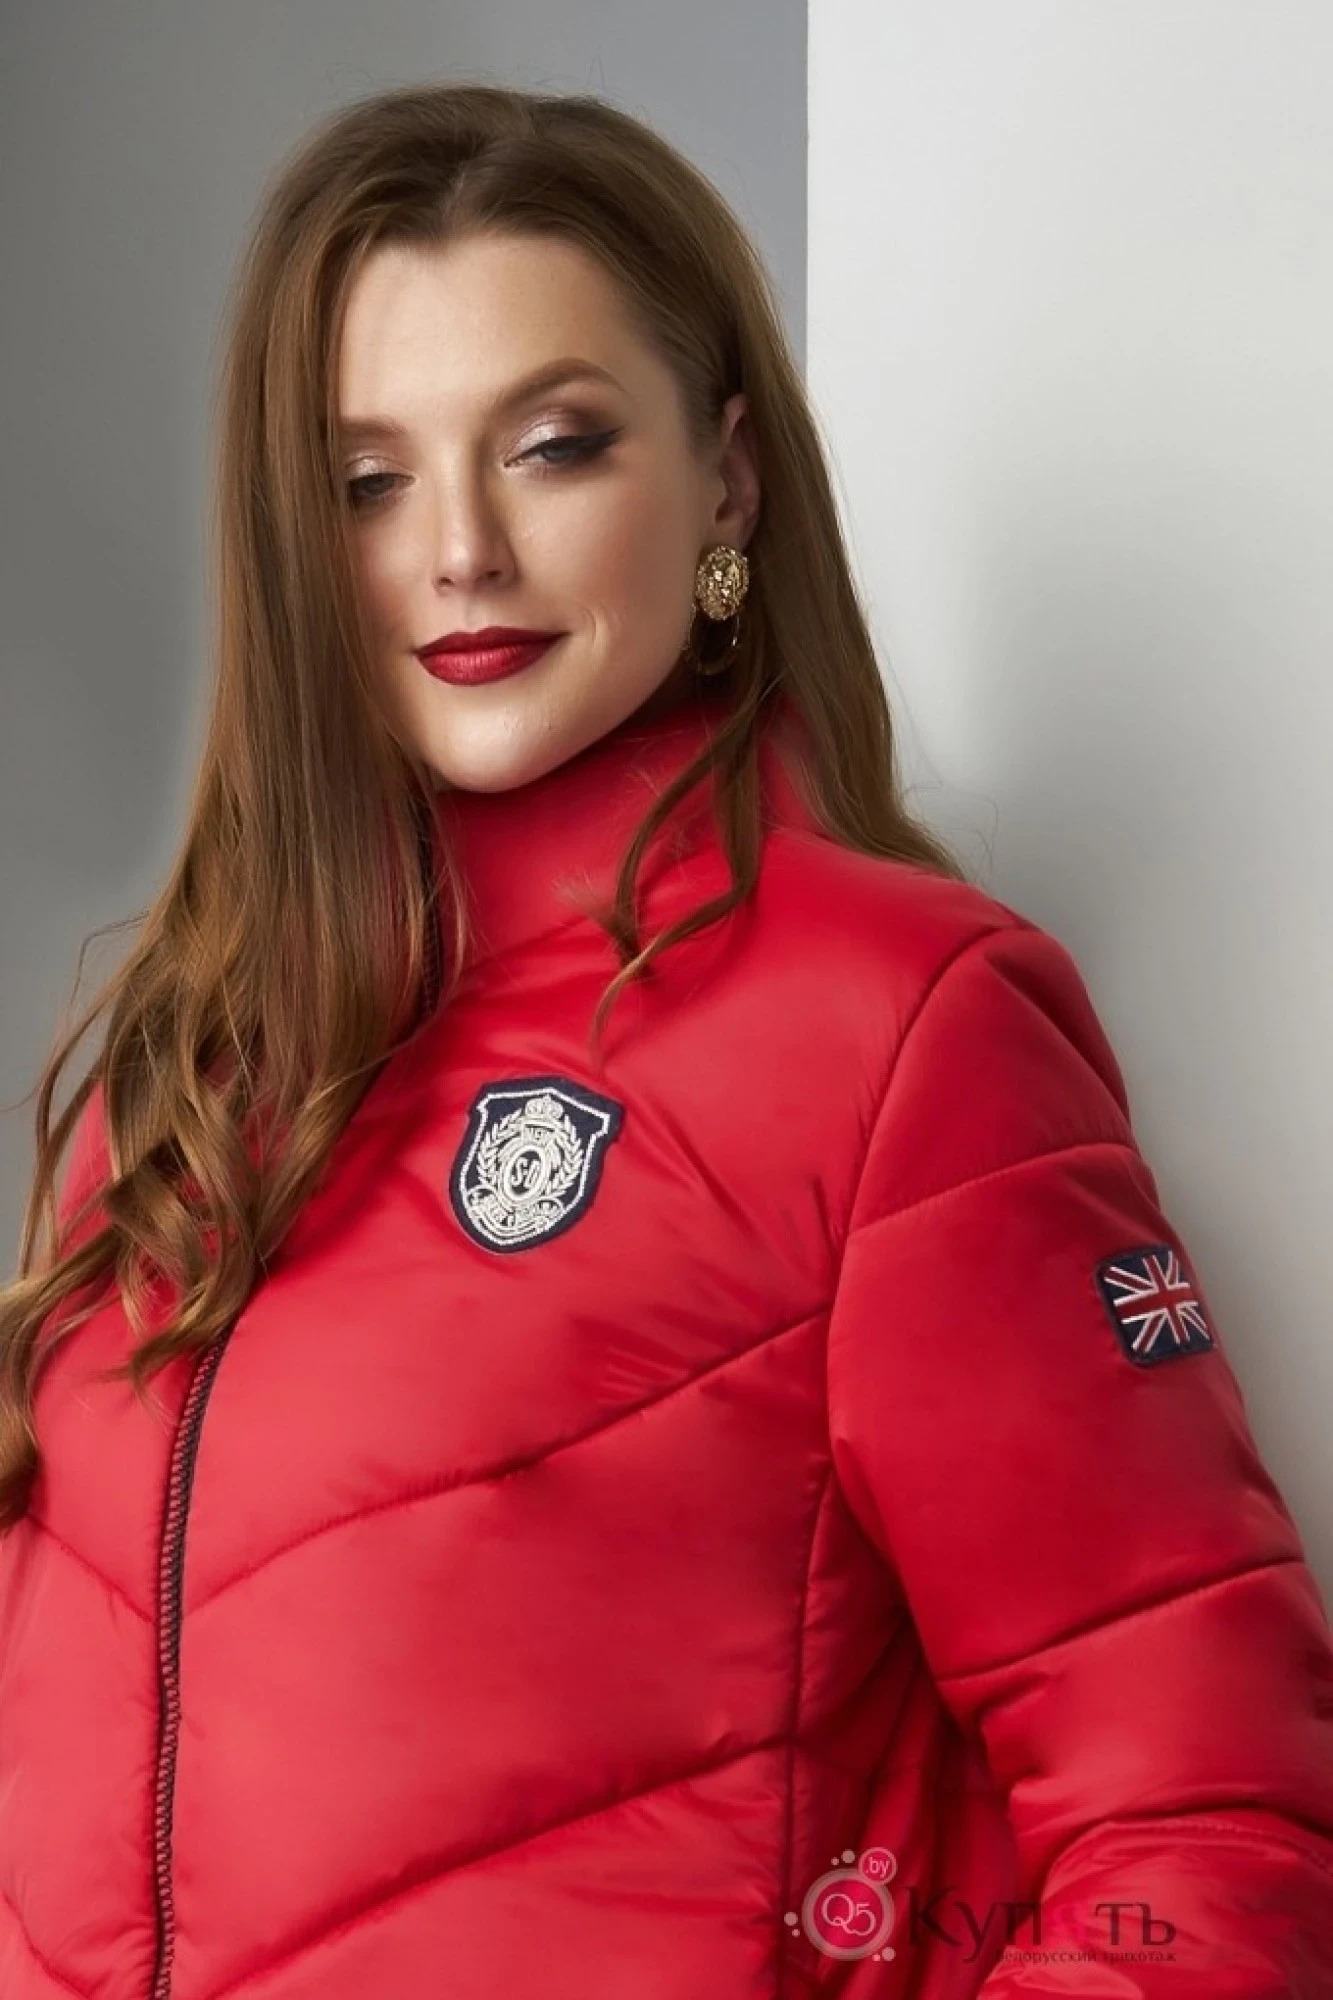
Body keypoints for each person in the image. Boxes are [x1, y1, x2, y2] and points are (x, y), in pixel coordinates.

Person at [1, 81, 1331, 2000]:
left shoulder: (899, 1029)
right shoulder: (194, 1072)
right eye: (367, 481)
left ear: (727, 481)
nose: (460, 551)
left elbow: (1211, 1828)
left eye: (552, 447)